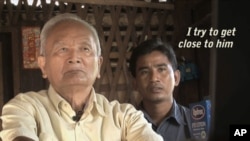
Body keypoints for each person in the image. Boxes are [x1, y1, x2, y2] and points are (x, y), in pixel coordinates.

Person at [0, 13, 163, 141]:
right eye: (62, 49)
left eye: (85, 49)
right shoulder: (25, 108)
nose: (74, 58)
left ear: (99, 65)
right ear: (43, 65)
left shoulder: (124, 116)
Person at [129, 38, 192, 141]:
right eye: (144, 72)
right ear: (135, 84)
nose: (154, 78)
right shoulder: (125, 126)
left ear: (176, 78)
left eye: (161, 69)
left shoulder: (197, 123)